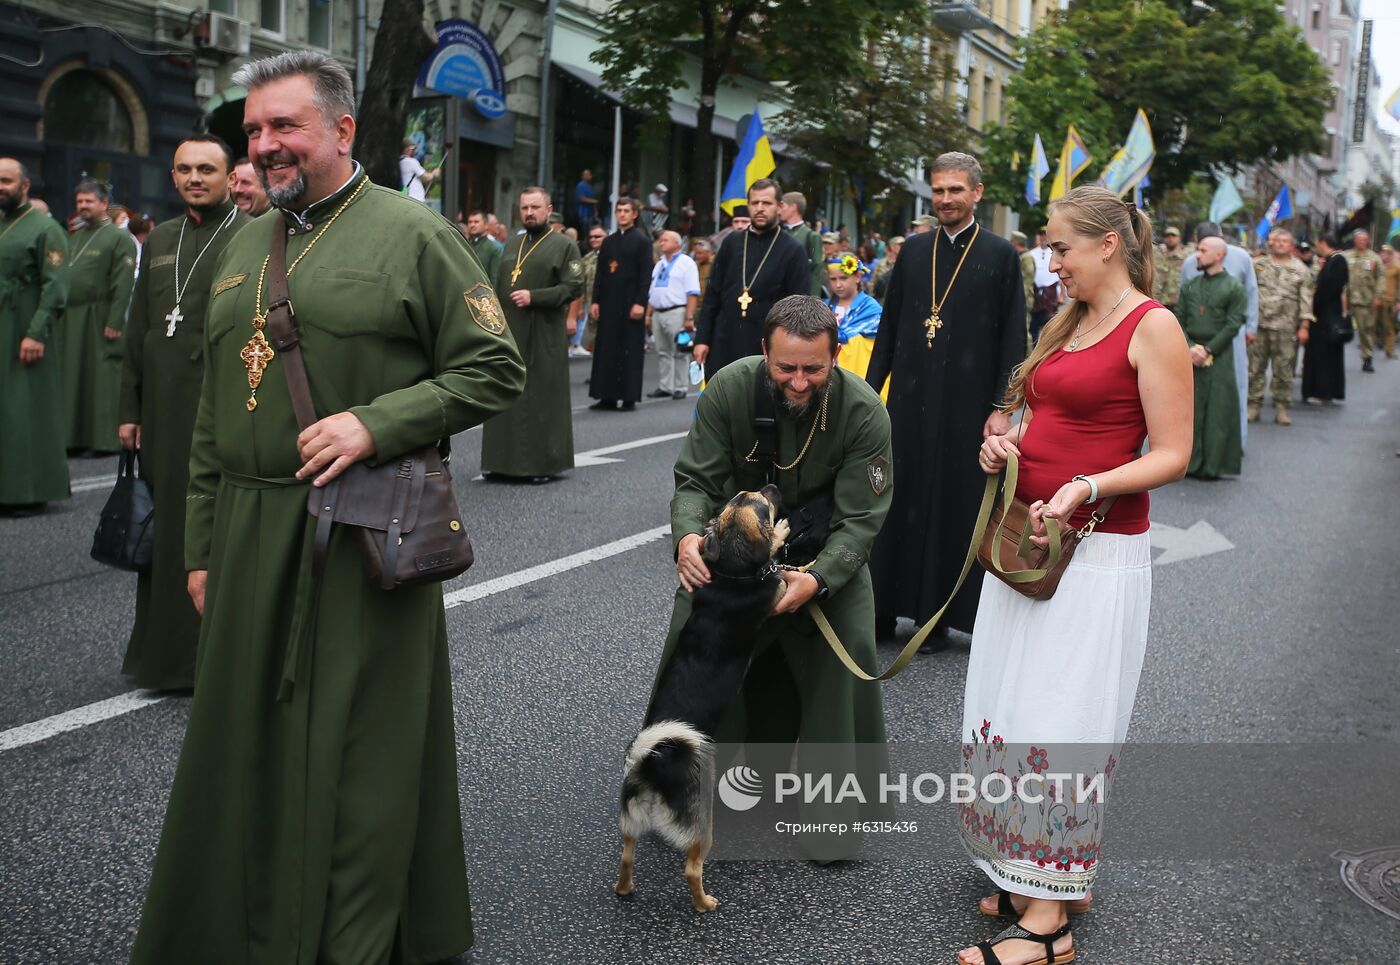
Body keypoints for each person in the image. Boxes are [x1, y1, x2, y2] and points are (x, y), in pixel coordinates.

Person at [130, 52, 526, 964]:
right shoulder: (240, 241)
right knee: (245, 747)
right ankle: (244, 925)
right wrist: (196, 550)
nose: (265, 145)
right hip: (243, 533)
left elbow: (497, 366)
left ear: (342, 131)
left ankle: (354, 939)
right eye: (254, 130)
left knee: (362, 752)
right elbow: (210, 424)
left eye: (286, 127)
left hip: (360, 531)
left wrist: (376, 423)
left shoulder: (412, 233)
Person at [958, 185, 1192, 965]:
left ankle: (1049, 925)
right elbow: (1046, 413)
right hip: (1027, 540)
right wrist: (1008, 444)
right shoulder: (1071, 317)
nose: (1049, 260)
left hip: (1093, 555)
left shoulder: (1152, 325)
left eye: (1059, 246)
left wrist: (1091, 484)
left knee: (1062, 722)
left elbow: (1171, 452)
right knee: (1012, 706)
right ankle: (1046, 875)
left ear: (1106, 245)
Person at [660, 293, 892, 856]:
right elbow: (694, 481)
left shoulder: (864, 411)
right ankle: (674, 795)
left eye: (814, 368)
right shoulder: (729, 389)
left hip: (824, 561)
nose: (798, 381)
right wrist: (689, 537)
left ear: (835, 355)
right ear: (764, 350)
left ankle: (835, 823)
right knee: (686, 633)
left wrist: (819, 579)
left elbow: (861, 520)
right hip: (736, 565)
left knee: (853, 647)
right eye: (785, 367)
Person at [865, 152, 1026, 653]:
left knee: (950, 507)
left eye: (956, 190)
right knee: (895, 502)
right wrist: (869, 395)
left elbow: (1011, 342)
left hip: (968, 405)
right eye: (938, 190)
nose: (946, 199)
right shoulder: (913, 252)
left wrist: (1003, 406)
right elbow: (889, 327)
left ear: (977, 193)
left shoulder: (1000, 255)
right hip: (908, 404)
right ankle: (881, 610)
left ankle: (935, 615)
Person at [117, 134, 250, 691]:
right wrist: (130, 407)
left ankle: (217, 660)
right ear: (173, 178)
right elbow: (140, 329)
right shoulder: (163, 238)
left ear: (228, 178)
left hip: (222, 402)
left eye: (207, 169)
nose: (195, 178)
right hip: (164, 409)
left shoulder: (251, 234)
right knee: (168, 528)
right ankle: (164, 658)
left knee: (216, 526)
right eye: (184, 170)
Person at [480, 186, 583, 482]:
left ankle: (540, 466)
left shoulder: (564, 245)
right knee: (504, 393)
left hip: (544, 334)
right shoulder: (513, 243)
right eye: (525, 208)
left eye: (535, 207)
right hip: (509, 331)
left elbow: (573, 286)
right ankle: (499, 462)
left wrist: (535, 296)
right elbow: (500, 283)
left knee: (539, 399)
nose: (529, 213)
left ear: (548, 210)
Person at [0, 157, 70, 516]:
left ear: (24, 186)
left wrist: (36, 333)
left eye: (6, 180)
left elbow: (56, 287)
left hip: (23, 328)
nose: (1, 186)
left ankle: (27, 492)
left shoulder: (45, 228)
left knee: (22, 412)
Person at [694, 180, 808, 382]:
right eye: (755, 203)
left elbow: (799, 308)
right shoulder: (731, 242)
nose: (760, 209)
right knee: (722, 404)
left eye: (767, 203)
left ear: (780, 206)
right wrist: (702, 339)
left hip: (766, 346)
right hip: (724, 341)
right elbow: (712, 295)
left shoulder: (793, 250)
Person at [57, 177, 137, 455]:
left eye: (88, 201)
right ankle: (74, 438)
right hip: (72, 317)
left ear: (104, 203)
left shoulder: (118, 238)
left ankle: (104, 441)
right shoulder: (74, 235)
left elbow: (122, 283)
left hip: (100, 315)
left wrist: (115, 320)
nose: (83, 206)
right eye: (79, 201)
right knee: (74, 378)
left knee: (101, 379)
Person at [1180, 221, 1258, 449]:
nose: (1199, 254)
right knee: (1195, 393)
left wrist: (1251, 326)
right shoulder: (1190, 263)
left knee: (1234, 386)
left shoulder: (1242, 257)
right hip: (1197, 337)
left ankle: (1236, 442)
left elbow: (1251, 292)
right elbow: (1184, 297)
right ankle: (1193, 449)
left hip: (1231, 333)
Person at [1177, 236, 1246, 479]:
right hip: (1190, 353)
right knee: (1189, 410)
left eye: (1203, 250)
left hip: (1220, 354)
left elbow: (1234, 323)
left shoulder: (1234, 287)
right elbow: (1179, 318)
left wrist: (1208, 350)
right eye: (1197, 250)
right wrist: (1190, 347)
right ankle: (1188, 463)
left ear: (1219, 255)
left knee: (1218, 409)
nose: (1197, 255)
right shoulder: (1190, 286)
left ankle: (1214, 465)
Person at [589, 196, 652, 410]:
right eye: (619, 210)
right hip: (608, 302)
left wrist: (640, 303)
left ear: (634, 214)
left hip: (630, 302)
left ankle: (628, 397)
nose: (622, 214)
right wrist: (595, 300)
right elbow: (600, 274)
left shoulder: (642, 241)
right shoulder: (608, 241)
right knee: (606, 348)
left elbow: (646, 275)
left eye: (627, 210)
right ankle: (606, 395)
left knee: (628, 349)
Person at [1248, 227, 1313, 426]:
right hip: (1260, 325)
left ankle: (1281, 408)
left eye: (1284, 241)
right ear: (1270, 243)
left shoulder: (1301, 269)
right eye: (1276, 240)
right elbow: (1248, 293)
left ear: (1291, 245)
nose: (1280, 244)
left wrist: (1304, 326)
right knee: (1255, 368)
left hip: (1286, 327)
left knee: (1283, 369)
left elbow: (1306, 299)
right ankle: (1253, 405)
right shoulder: (1258, 265)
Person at [646, 230, 700, 400]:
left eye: (665, 240)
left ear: (677, 244)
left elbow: (692, 292)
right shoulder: (659, 264)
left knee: (680, 350)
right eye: (660, 240)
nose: (661, 243)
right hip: (658, 311)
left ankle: (681, 386)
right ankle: (665, 385)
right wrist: (649, 314)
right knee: (662, 350)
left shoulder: (686, 263)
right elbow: (652, 291)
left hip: (677, 311)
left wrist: (689, 317)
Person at [826, 253, 885, 398]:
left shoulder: (871, 309)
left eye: (843, 278)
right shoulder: (825, 306)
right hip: (829, 374)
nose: (838, 284)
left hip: (859, 374)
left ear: (857, 277)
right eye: (833, 279)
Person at [1301, 232, 1348, 405]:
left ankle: (1324, 391)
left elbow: (1330, 289)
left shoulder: (1338, 261)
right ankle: (1316, 389)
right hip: (1321, 317)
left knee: (1325, 356)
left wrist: (1315, 303)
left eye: (1317, 244)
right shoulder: (1330, 261)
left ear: (1323, 242)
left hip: (1327, 316)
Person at [1344, 229, 1382, 372]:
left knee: (1365, 329)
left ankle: (1367, 357)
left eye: (1364, 239)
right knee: (1340, 329)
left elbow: (1381, 278)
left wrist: (1378, 296)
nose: (1361, 242)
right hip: (1346, 299)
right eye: (1359, 239)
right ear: (1355, 240)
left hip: (1366, 301)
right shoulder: (1346, 256)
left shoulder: (1374, 258)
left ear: (1368, 240)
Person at [779, 190, 825, 296]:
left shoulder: (811, 236)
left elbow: (816, 271)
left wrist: (813, 301)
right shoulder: (780, 233)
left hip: (800, 295)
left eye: (783, 206)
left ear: (793, 207)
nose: (779, 211)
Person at [572, 223, 606, 355]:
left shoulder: (614, 256)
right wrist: (580, 307)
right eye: (591, 237)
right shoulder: (586, 259)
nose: (594, 239)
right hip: (592, 306)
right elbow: (581, 284)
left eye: (598, 236)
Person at [1029, 228, 1061, 342]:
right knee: (1034, 324)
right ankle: (1034, 346)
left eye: (1045, 235)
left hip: (1051, 292)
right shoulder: (1032, 253)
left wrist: (1061, 294)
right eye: (1041, 235)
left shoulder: (1055, 252)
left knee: (1050, 324)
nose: (1043, 238)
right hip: (1036, 292)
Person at [1151, 226, 1186, 313]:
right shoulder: (1158, 255)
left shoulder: (1185, 257)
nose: (1170, 239)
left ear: (1179, 238)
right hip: (1160, 301)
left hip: (1178, 302)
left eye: (1173, 236)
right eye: (1167, 236)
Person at [463, 209, 502, 286]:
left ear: (486, 225)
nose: (472, 225)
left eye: (476, 222)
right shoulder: (465, 245)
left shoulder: (493, 248)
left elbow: (495, 278)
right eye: (470, 222)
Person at [1011, 230, 1035, 344]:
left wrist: (1019, 300)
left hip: (1024, 300)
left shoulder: (1026, 258)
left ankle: (1029, 358)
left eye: (1012, 242)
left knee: (1024, 331)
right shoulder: (1021, 256)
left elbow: (1027, 282)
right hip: (1021, 299)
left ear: (1016, 243)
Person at [398, 137, 438, 202]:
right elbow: (426, 177)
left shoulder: (399, 162)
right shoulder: (411, 162)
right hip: (416, 200)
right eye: (413, 148)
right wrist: (434, 173)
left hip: (405, 199)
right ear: (406, 149)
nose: (414, 151)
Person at [869, 235, 902, 302]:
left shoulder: (906, 263)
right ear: (892, 246)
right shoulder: (881, 264)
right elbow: (873, 282)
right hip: (883, 301)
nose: (902, 247)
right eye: (899, 245)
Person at [1382, 243, 1400, 359]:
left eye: (1387, 253)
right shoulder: (1378, 265)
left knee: (1390, 327)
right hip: (1378, 299)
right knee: (1371, 325)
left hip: (1390, 300)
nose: (1385, 255)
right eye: (1383, 253)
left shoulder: (1397, 267)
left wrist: (1399, 302)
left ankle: (1390, 350)